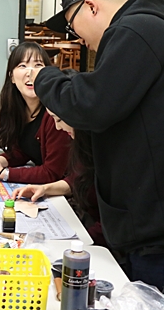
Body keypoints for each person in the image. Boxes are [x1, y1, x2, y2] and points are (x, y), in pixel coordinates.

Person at [31, 0, 164, 290]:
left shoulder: (137, 30)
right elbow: (115, 113)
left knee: (150, 302)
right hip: (153, 220)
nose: (77, 38)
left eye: (72, 26)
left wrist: (44, 76)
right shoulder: (143, 31)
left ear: (91, 6)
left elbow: (92, 105)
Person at [0, 42, 71, 183]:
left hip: (71, 190)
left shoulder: (55, 113)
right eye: (23, 66)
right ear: (11, 76)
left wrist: (3, 173)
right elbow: (22, 151)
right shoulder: (17, 109)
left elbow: (52, 173)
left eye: (38, 65)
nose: (31, 72)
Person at [13, 106, 106, 247]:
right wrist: (45, 189)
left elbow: (112, 222)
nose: (57, 127)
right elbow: (77, 179)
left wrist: (79, 243)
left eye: (59, 120)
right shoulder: (83, 144)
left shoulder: (106, 151)